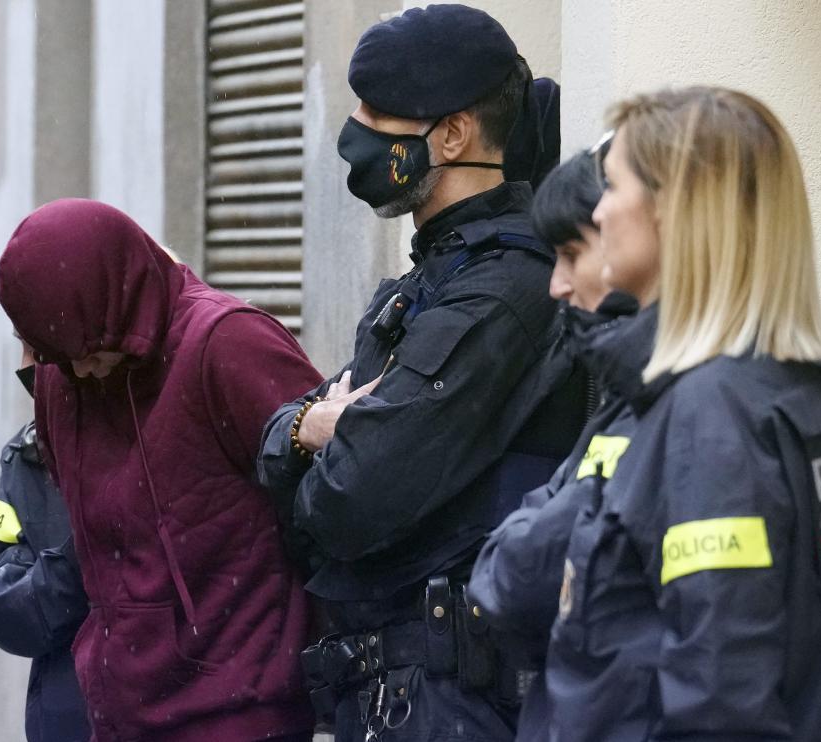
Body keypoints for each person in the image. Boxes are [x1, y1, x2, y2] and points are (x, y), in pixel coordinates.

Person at [257, 6, 586, 740]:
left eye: (379, 115)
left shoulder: (501, 292)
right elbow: (284, 443)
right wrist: (308, 427)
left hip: (454, 696)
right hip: (397, 691)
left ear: (453, 135)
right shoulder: (425, 284)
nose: (356, 132)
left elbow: (348, 499)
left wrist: (317, 444)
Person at [543, 86, 821, 740]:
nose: (599, 209)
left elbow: (720, 694)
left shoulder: (713, 413)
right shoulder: (783, 387)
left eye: (612, 186)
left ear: (673, 211)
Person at [0, 198, 323, 742]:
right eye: (60, 355)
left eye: (88, 347)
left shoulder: (228, 343)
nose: (81, 369)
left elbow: (333, 504)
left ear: (120, 296)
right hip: (117, 716)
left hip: (241, 712)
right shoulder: (61, 379)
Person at [467, 149, 642, 741]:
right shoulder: (629, 396)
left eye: (571, 254)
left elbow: (517, 575)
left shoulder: (690, 409)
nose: (557, 285)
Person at [0, 335, 91, 742]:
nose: (26, 366)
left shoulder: (163, 446)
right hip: (66, 723)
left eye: (37, 348)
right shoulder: (27, 456)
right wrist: (79, 560)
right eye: (21, 346)